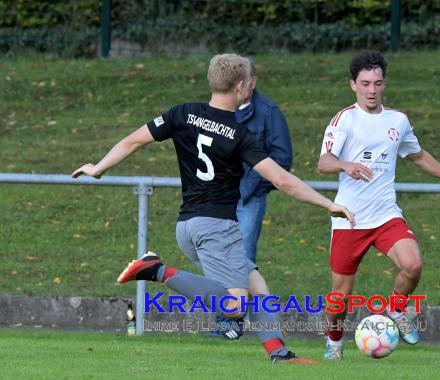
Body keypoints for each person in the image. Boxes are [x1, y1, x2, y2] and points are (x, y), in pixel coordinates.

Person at [72, 53, 355, 364]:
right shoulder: (238, 133)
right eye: (250, 84)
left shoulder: (182, 113)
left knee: (257, 286)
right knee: (234, 305)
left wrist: (98, 168)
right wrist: (329, 203)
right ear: (242, 86)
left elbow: (131, 142)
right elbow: (283, 181)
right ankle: (156, 269)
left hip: (188, 226)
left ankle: (280, 354)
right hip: (217, 227)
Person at [317, 50, 440, 360]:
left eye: (377, 83)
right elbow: (323, 162)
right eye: (365, 83)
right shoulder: (344, 120)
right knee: (340, 296)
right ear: (353, 85)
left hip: (385, 214)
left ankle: (396, 306)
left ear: (384, 84)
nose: (372, 90)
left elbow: (417, 155)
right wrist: (345, 165)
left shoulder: (398, 120)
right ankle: (334, 342)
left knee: (413, 264)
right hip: (349, 219)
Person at [210, 58, 293, 339]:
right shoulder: (217, 109)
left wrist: (253, 186)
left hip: (248, 200)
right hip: (217, 198)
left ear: (251, 82)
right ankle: (228, 319)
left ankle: (232, 323)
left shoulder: (269, 112)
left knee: (242, 257)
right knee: (218, 257)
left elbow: (283, 158)